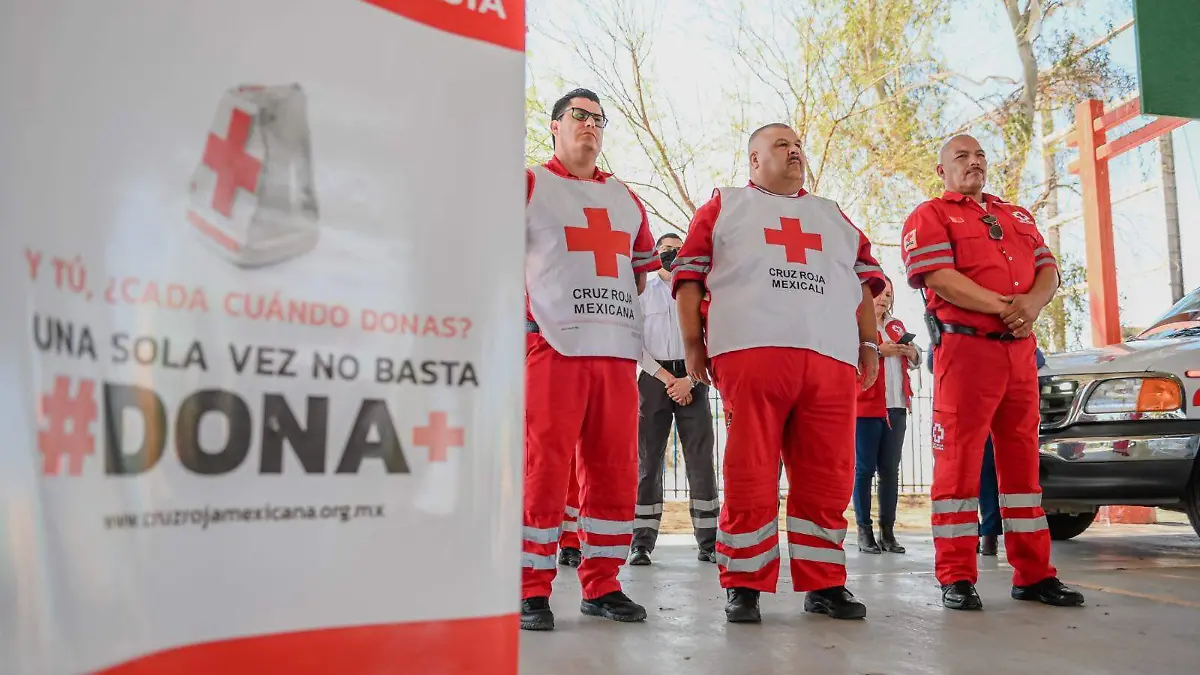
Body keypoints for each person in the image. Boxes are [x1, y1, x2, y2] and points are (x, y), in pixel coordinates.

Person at [673, 122, 886, 623]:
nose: (794, 152)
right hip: (752, 353)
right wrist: (691, 346)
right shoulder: (724, 206)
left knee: (828, 476)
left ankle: (825, 582)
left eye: (797, 146)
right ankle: (744, 584)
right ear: (753, 159)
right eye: (781, 145)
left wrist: (870, 343)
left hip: (830, 360)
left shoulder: (832, 215)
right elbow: (688, 277)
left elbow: (863, 284)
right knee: (750, 472)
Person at [901, 134, 1084, 611]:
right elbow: (939, 276)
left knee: (1023, 465)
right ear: (942, 170)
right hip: (966, 351)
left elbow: (1049, 269)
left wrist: (1032, 304)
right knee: (958, 465)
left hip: (1020, 353)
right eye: (961, 156)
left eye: (980, 154)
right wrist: (1008, 307)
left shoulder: (1016, 215)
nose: (974, 162)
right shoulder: (931, 215)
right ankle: (957, 577)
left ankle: (1035, 574)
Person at [522, 87, 660, 631]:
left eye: (599, 119)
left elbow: (640, 270)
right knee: (544, 469)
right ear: (554, 126)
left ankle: (602, 583)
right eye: (578, 115)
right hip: (551, 346)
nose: (590, 125)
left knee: (614, 471)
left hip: (614, 351)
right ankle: (529, 588)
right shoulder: (532, 183)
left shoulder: (625, 196)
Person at [630, 233, 720, 566]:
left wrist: (688, 380)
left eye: (676, 248)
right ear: (655, 256)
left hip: (693, 378)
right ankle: (641, 542)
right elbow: (635, 341)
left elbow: (711, 336)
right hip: (654, 379)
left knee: (700, 461)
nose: (670, 253)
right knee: (648, 462)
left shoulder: (698, 291)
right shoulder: (642, 293)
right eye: (664, 249)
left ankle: (709, 542)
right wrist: (668, 378)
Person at [853, 276, 920, 555]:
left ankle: (888, 532)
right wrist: (880, 351)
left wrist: (911, 351)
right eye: (880, 293)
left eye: (889, 295)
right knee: (864, 470)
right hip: (866, 407)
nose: (884, 299)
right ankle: (864, 531)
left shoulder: (897, 326)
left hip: (896, 407)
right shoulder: (856, 326)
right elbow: (850, 359)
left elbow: (916, 362)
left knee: (890, 473)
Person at [978, 346, 1046, 556]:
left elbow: (1038, 357)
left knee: (1010, 475)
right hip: (975, 407)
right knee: (981, 474)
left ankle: (1009, 538)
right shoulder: (962, 329)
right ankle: (986, 535)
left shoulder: (1009, 331)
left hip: (1007, 409)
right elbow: (933, 360)